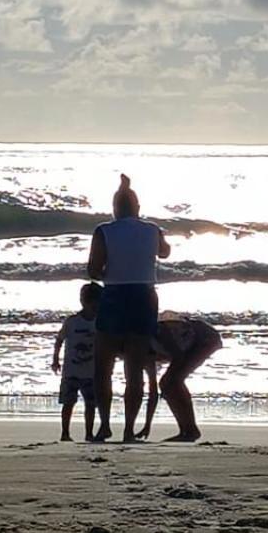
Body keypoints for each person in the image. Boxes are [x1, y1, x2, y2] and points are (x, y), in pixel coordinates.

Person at [86, 174, 170, 443]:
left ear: (114, 209)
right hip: (144, 296)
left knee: (103, 367)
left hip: (115, 295)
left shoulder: (104, 231)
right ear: (138, 207)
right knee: (134, 368)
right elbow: (165, 253)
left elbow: (93, 270)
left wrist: (111, 270)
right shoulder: (152, 229)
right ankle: (129, 430)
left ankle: (104, 425)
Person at [137, 312, 223, 442]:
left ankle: (190, 430)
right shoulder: (144, 355)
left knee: (171, 382)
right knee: (169, 383)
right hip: (186, 344)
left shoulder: (157, 333)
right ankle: (187, 430)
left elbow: (178, 356)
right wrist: (147, 425)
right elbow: (153, 392)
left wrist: (171, 380)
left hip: (204, 338)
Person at [51, 282, 102, 442]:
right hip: (71, 371)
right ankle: (65, 432)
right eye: (94, 303)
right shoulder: (72, 322)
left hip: (91, 371)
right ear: (84, 302)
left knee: (91, 404)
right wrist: (55, 359)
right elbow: (59, 340)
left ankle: (89, 433)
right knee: (68, 403)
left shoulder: (100, 322)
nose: (96, 307)